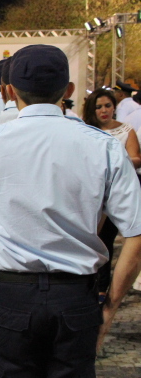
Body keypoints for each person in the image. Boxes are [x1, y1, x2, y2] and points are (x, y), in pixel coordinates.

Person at [0, 44, 141, 378]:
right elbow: (136, 233)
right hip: (75, 295)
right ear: (69, 89)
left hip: (12, 294)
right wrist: (110, 307)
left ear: (8, 90)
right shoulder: (105, 147)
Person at [81, 88, 141, 299]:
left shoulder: (125, 130)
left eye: (108, 105)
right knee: (91, 238)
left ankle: (102, 288)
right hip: (91, 191)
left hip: (117, 191)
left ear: (114, 107)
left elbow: (136, 158)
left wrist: (116, 161)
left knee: (109, 238)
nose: (104, 110)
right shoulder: (85, 130)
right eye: (99, 107)